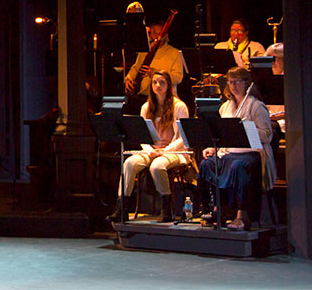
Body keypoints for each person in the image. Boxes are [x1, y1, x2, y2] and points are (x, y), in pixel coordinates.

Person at [198, 67, 276, 230]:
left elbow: (267, 135)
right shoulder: (225, 107)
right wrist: (213, 148)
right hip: (230, 153)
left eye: (236, 82)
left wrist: (246, 130)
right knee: (207, 164)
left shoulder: (256, 106)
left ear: (246, 83)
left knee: (238, 166)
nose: (232, 85)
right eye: (230, 82)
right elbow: (222, 134)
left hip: (251, 153)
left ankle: (242, 215)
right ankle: (217, 209)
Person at [108, 70, 191, 223]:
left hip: (173, 150)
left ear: (168, 86)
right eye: (154, 82)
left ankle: (166, 207)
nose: (158, 85)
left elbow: (183, 137)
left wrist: (165, 151)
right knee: (129, 164)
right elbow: (142, 136)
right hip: (152, 150)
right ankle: (122, 207)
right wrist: (150, 150)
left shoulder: (179, 106)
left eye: (162, 82)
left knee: (157, 167)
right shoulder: (146, 107)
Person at [123, 18, 186, 113]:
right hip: (142, 97)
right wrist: (128, 79)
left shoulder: (174, 53)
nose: (157, 37)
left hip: (164, 100)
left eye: (160, 33)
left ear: (166, 34)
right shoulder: (145, 51)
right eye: (154, 33)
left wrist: (154, 73)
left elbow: (178, 77)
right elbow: (136, 68)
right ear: (150, 35)